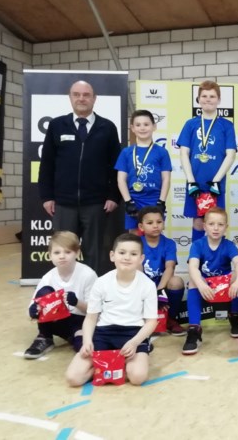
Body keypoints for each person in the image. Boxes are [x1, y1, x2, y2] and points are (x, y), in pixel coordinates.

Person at [39, 80, 122, 273]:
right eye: (76, 94)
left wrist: (113, 196)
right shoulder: (57, 125)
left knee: (96, 251)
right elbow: (47, 164)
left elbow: (116, 166)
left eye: (86, 95)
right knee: (64, 250)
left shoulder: (107, 127)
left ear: (94, 99)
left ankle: (94, 293)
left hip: (96, 203)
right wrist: (47, 196)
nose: (81, 98)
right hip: (64, 203)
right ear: (70, 98)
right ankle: (67, 292)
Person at [65, 233, 158, 387]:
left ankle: (124, 359)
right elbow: (91, 318)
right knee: (73, 378)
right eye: (122, 253)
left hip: (133, 333)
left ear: (141, 259)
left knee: (137, 377)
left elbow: (151, 322)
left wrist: (135, 343)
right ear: (112, 256)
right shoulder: (101, 282)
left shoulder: (147, 285)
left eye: (133, 254)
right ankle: (109, 364)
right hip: (103, 333)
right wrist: (87, 341)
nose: (127, 257)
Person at [177, 80, 237, 243]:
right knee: (197, 222)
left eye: (212, 96)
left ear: (218, 99)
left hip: (215, 184)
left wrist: (216, 181)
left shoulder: (226, 125)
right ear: (198, 99)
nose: (208, 99)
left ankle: (217, 263)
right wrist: (191, 181)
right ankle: (195, 261)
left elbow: (230, 154)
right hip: (195, 182)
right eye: (204, 96)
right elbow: (184, 153)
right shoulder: (190, 124)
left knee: (217, 223)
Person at [183, 207, 238, 355]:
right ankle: (194, 329)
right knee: (193, 280)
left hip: (224, 288)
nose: (216, 228)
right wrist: (201, 284)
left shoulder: (228, 245)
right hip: (206, 287)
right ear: (205, 226)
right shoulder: (198, 244)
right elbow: (192, 266)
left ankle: (235, 316)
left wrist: (237, 282)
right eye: (212, 224)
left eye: (220, 224)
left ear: (226, 227)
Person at [24, 231, 97, 359]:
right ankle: (44, 336)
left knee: (82, 348)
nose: (62, 256)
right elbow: (31, 309)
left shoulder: (88, 275)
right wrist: (34, 311)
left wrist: (76, 302)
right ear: (50, 255)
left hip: (81, 321)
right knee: (45, 291)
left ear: (77, 253)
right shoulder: (48, 277)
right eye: (57, 253)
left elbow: (95, 310)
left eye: (68, 252)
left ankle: (75, 336)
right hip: (57, 320)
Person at [115, 110, 171, 232]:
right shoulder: (126, 152)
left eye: (146, 124)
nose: (142, 128)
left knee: (154, 235)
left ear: (154, 126)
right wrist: (128, 201)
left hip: (154, 200)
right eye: (138, 125)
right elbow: (121, 179)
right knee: (134, 238)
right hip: (134, 199)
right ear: (132, 128)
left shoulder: (162, 152)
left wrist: (161, 201)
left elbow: (166, 178)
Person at [137, 206, 186, 336]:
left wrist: (160, 291)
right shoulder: (137, 243)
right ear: (141, 227)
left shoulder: (169, 243)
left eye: (159, 222)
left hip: (161, 287)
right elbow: (138, 271)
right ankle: (138, 320)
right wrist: (150, 293)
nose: (155, 226)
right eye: (150, 223)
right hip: (143, 287)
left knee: (177, 282)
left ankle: (171, 319)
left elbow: (170, 267)